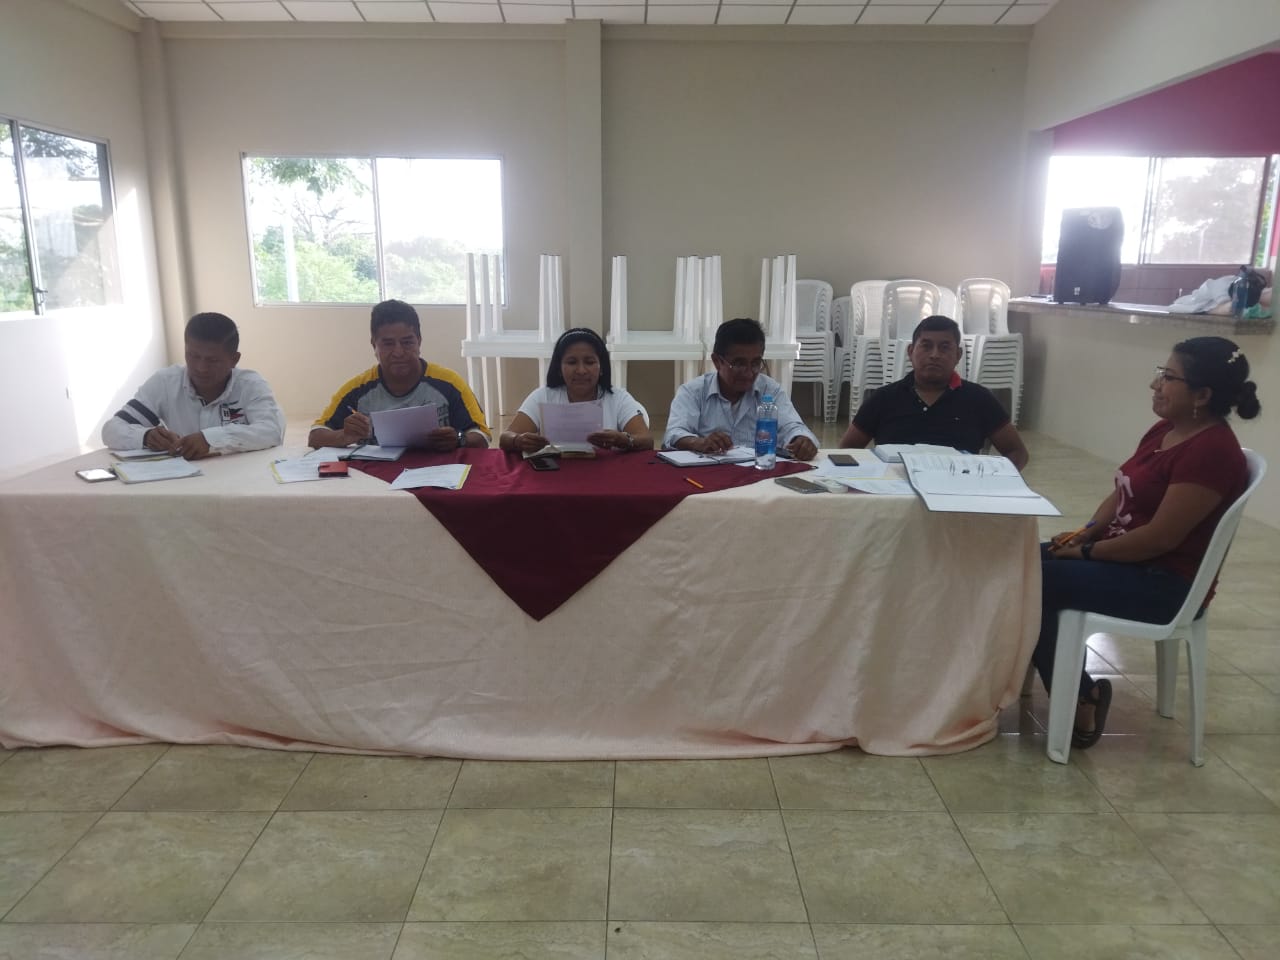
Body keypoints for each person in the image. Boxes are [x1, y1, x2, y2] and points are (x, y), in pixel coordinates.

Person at [1033, 336, 1261, 749]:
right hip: (1127, 562)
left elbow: (1159, 539)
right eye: (1160, 373)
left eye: (1168, 377)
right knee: (1017, 561)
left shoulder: (1211, 452)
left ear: (1203, 395)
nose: (1155, 384)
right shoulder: (1167, 429)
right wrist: (1087, 531)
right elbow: (1123, 491)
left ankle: (1084, 697)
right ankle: (1023, 674)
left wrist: (1084, 552)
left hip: (1163, 584)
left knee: (1034, 581)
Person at [840, 315, 1029, 470]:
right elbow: (846, 450)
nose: (935, 355)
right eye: (926, 346)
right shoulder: (883, 398)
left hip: (958, 493)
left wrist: (992, 480)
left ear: (958, 355)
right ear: (911, 351)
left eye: (945, 347)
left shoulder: (979, 399)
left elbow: (1017, 452)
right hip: (895, 492)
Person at [309, 299, 490, 451]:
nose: (398, 352)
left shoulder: (450, 384)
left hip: (437, 474)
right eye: (388, 344)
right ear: (374, 345)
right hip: (375, 478)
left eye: (407, 342)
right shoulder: (357, 390)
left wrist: (459, 439)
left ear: (419, 341)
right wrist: (344, 436)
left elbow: (482, 437)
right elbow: (315, 436)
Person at [102, 311, 285, 459]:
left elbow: (271, 431)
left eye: (212, 360)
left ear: (234, 359)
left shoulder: (251, 385)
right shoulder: (165, 382)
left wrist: (211, 439)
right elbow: (111, 429)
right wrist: (145, 437)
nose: (201, 368)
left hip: (241, 480)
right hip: (183, 481)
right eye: (193, 356)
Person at [663, 317, 819, 461]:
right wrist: (699, 442)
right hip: (708, 474)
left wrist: (801, 440)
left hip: (759, 474)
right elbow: (674, 434)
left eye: (756, 363)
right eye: (739, 364)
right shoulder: (693, 392)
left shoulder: (770, 390)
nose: (749, 373)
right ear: (717, 361)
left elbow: (793, 427)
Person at [499, 327, 653, 454]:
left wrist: (623, 440)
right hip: (555, 475)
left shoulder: (618, 398)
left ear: (601, 368)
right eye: (572, 362)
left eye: (589, 362)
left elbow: (646, 440)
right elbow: (505, 437)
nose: (581, 370)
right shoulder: (543, 396)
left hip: (607, 475)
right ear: (559, 368)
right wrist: (518, 441)